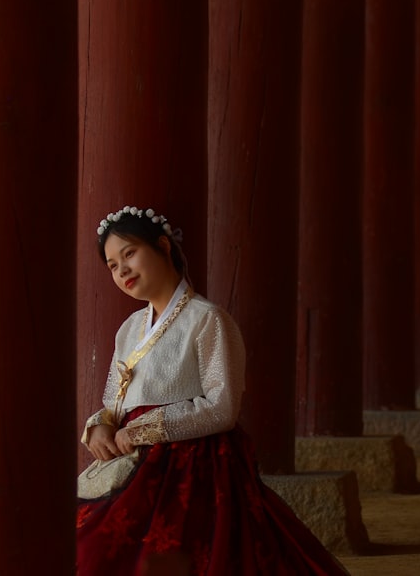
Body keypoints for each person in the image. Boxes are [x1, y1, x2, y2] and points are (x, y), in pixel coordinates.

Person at [76, 205, 349, 575]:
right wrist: (101, 426)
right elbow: (114, 398)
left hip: (191, 465)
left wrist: (142, 430)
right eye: (111, 264)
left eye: (130, 253)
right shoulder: (129, 329)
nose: (122, 269)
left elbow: (221, 407)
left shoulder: (207, 320)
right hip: (130, 458)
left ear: (163, 246)